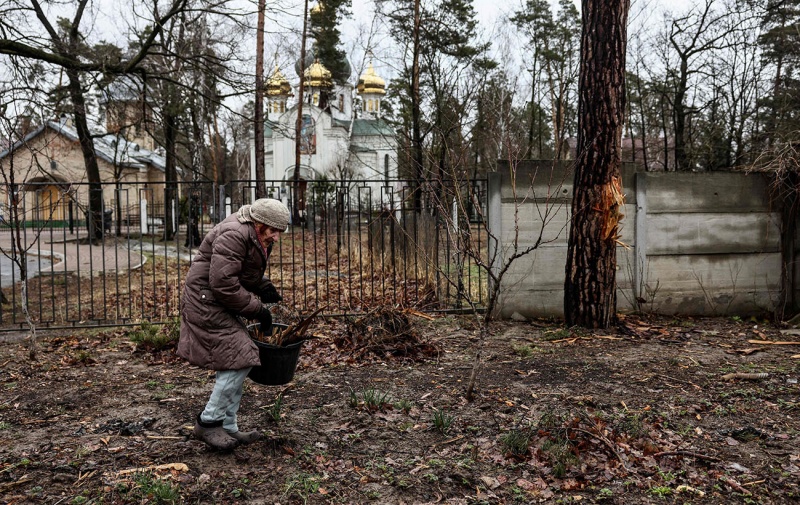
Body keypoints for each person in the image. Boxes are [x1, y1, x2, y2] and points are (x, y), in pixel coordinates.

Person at [177, 198, 289, 450]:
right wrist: (258, 309)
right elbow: (223, 284)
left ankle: (227, 427)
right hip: (206, 302)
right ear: (260, 223)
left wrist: (261, 285)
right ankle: (208, 423)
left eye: (280, 232)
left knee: (235, 359)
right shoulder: (234, 234)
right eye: (273, 231)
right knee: (241, 356)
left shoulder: (252, 234)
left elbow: (237, 269)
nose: (277, 237)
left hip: (216, 300)